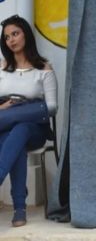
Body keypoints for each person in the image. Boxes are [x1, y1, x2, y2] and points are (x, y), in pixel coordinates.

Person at [0, 15, 58, 227]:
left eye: (15, 34)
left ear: (26, 34)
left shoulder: (43, 69)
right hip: (8, 127)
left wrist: (17, 112)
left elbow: (51, 108)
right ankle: (19, 208)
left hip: (35, 129)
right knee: (17, 135)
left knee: (22, 128)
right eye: (7, 37)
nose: (11, 40)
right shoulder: (2, 68)